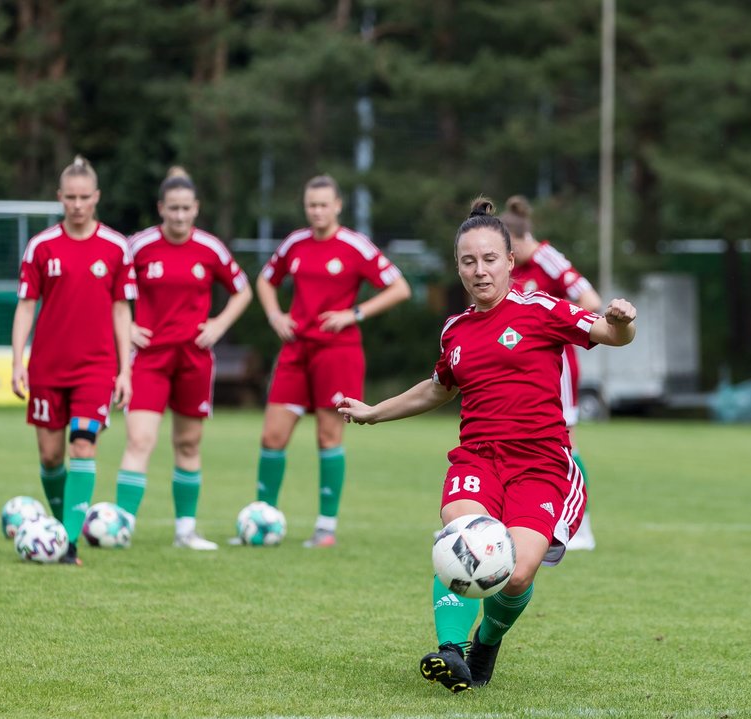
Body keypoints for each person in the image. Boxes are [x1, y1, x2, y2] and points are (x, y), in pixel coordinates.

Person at [339, 197, 638, 693]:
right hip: (478, 458)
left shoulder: (541, 310)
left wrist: (623, 320)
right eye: (469, 261)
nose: (480, 271)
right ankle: (450, 652)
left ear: (510, 261)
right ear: (458, 267)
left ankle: (486, 644)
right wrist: (375, 411)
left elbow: (610, 333)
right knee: (461, 537)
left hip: (541, 466)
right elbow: (437, 388)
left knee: (517, 576)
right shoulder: (454, 330)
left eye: (490, 259)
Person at [248, 175, 412, 548]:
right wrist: (275, 315)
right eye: (311, 205)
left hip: (338, 352)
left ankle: (325, 527)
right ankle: (262, 518)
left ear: (338, 205)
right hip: (295, 351)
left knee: (328, 436)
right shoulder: (295, 243)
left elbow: (400, 288)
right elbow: (265, 280)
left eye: (324, 204)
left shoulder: (354, 246)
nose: (317, 211)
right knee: (272, 436)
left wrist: (354, 313)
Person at [115, 167, 253, 549]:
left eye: (185, 209)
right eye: (172, 208)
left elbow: (242, 290)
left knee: (188, 445)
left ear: (196, 209)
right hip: (148, 359)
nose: (178, 215)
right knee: (140, 440)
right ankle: (120, 527)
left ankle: (185, 531)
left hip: (193, 359)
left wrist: (219, 324)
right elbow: (107, 287)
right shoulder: (138, 246)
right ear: (161, 208)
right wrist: (126, 329)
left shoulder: (210, 249)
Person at [10, 155, 136, 566]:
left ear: (96, 197)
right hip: (47, 367)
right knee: (50, 456)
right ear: (59, 197)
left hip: (95, 370)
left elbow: (122, 311)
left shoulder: (116, 247)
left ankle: (66, 541)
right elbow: (27, 306)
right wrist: (17, 362)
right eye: (71, 197)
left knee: (83, 446)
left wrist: (125, 371)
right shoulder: (41, 247)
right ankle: (61, 525)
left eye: (85, 197)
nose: (78, 204)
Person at [499, 195, 603, 551]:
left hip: (555, 371)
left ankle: (581, 527)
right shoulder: (513, 269)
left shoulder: (548, 258)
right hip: (520, 369)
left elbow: (591, 302)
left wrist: (545, 324)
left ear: (515, 242)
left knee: (565, 447)